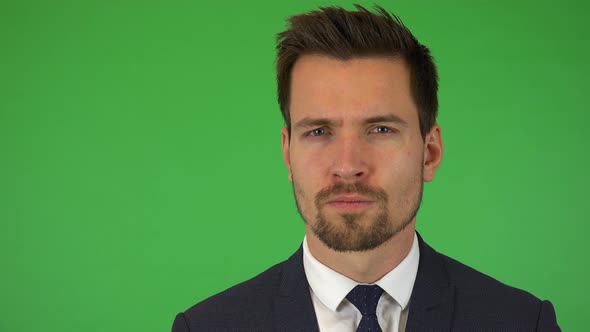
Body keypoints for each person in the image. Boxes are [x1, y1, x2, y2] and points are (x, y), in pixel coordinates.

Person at [172, 5, 560, 331]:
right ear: (288, 154)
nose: (347, 166)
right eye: (319, 130)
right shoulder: (206, 326)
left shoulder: (523, 322)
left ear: (430, 153)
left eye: (380, 129)